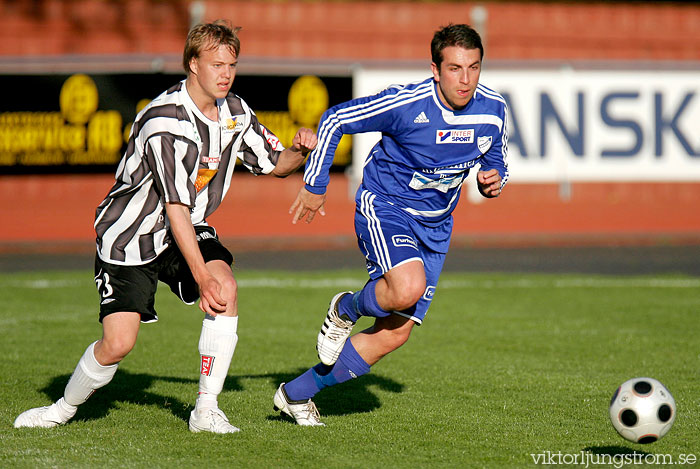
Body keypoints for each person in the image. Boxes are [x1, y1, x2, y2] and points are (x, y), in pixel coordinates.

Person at [14, 20, 317, 433]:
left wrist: (298, 150)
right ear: (193, 64)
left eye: (232, 64)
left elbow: (276, 164)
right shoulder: (164, 122)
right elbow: (173, 206)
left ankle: (205, 410)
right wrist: (199, 276)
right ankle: (61, 410)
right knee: (118, 343)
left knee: (225, 287)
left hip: (187, 222)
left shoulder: (236, 112)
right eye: (216, 64)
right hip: (130, 234)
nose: (226, 73)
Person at [273, 24, 508, 426]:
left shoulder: (493, 108)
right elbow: (333, 121)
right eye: (454, 68)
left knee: (395, 333)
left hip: (436, 225)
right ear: (435, 69)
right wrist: (315, 184)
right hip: (386, 206)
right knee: (407, 287)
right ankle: (345, 308)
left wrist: (494, 181)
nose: (465, 79)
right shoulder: (407, 103)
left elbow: (495, 160)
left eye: (473, 67)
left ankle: (296, 394)